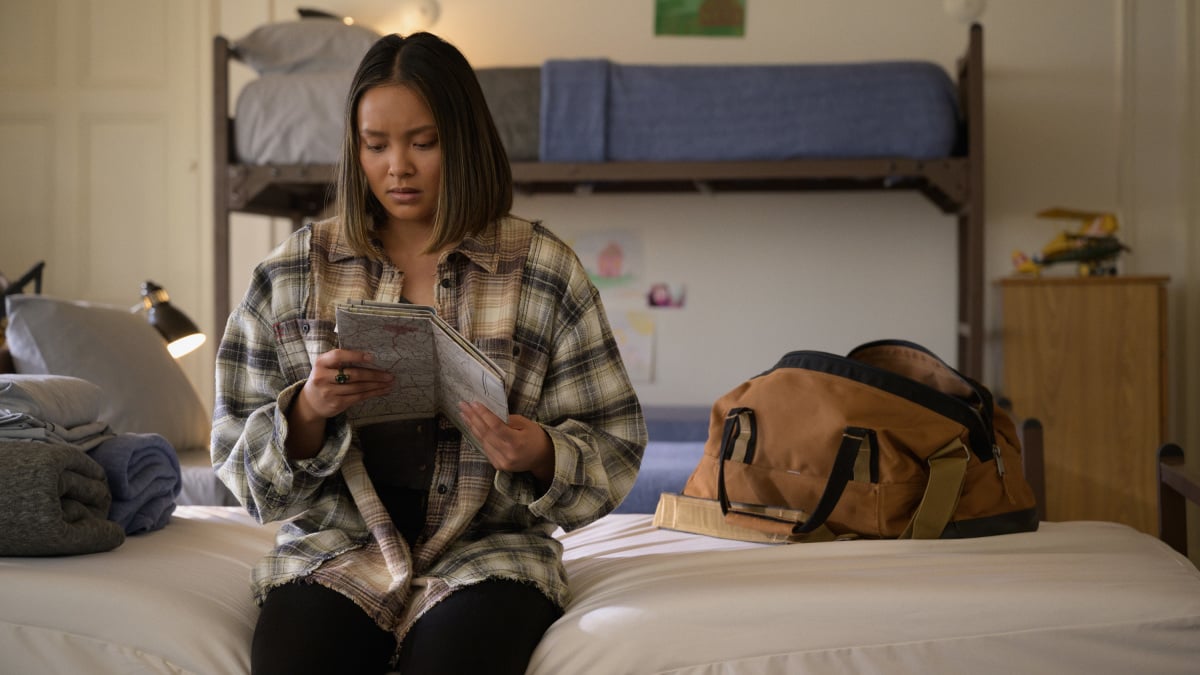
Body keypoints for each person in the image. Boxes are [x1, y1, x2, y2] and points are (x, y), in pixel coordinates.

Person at [211, 32, 646, 675]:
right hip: (337, 551)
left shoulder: (543, 268)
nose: (398, 168)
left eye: (423, 142)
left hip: (491, 555)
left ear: (463, 141)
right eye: (376, 145)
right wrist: (306, 412)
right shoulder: (292, 272)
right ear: (354, 147)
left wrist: (538, 452)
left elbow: (615, 443)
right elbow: (235, 457)